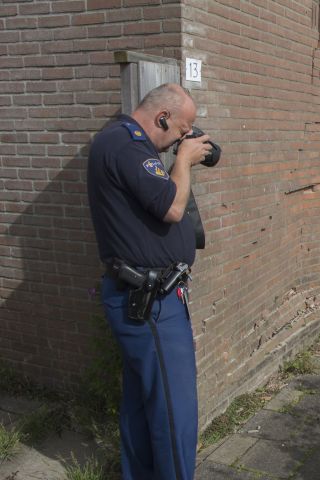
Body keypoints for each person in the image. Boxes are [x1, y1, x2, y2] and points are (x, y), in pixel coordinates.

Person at [87, 83, 211, 480]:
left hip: (148, 297)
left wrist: (182, 155)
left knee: (144, 407)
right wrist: (186, 161)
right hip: (150, 303)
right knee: (175, 413)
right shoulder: (125, 145)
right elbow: (172, 208)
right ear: (162, 118)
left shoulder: (128, 145)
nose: (182, 139)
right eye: (181, 130)